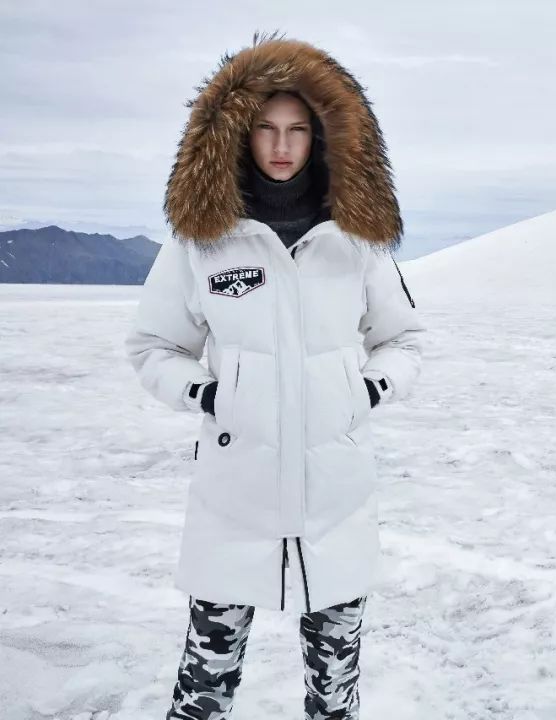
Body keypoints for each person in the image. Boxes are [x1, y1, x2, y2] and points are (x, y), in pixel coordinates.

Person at [125, 33, 425, 719]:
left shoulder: (359, 241)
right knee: (202, 694)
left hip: (337, 504)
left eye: (297, 130)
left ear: (322, 139)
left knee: (335, 698)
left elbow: (403, 339)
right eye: (265, 129)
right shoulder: (202, 242)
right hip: (233, 502)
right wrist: (204, 392)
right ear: (238, 135)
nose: (281, 146)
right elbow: (152, 346)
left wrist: (369, 387)